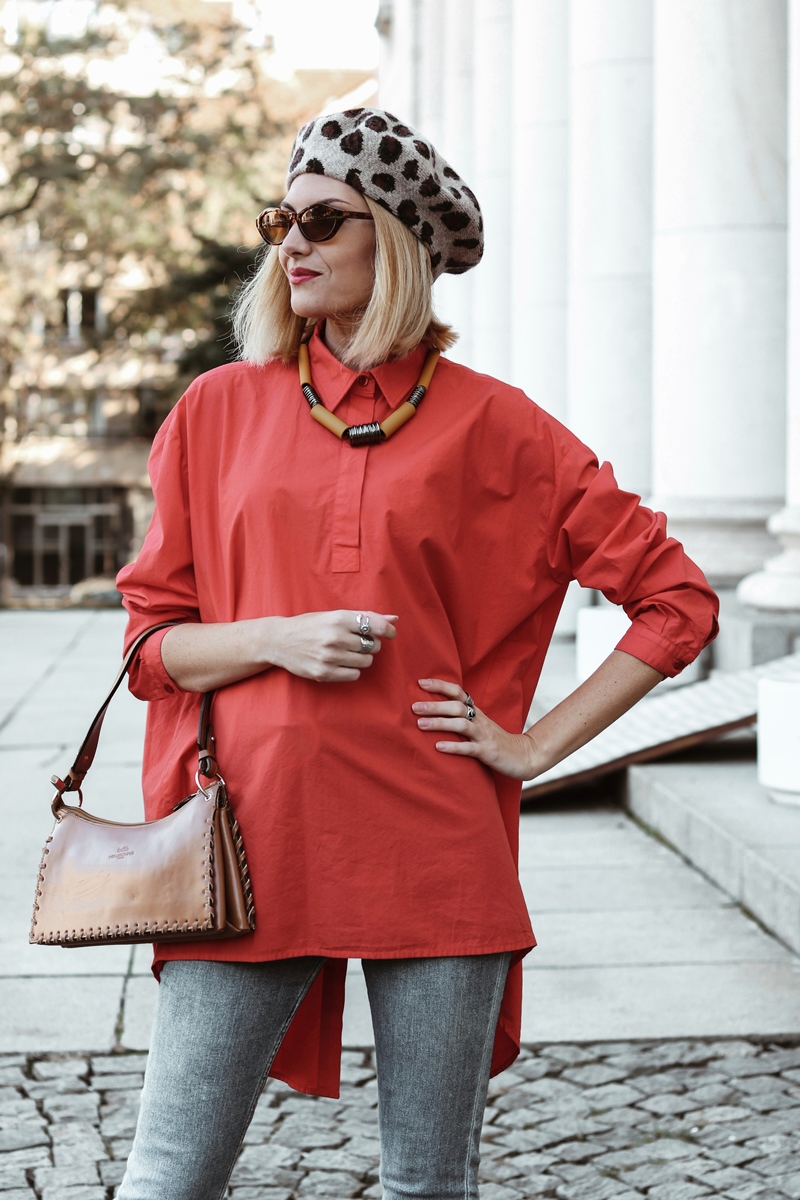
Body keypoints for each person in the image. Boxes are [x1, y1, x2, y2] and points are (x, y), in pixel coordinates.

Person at [115, 108, 718, 1200]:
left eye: (322, 219)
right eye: (279, 219)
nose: (288, 243)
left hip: (434, 849)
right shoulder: (216, 411)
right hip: (246, 845)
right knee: (169, 1172)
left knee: (427, 1184)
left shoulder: (502, 428)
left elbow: (673, 601)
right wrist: (274, 638)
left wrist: (533, 746)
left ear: (392, 241)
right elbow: (151, 648)